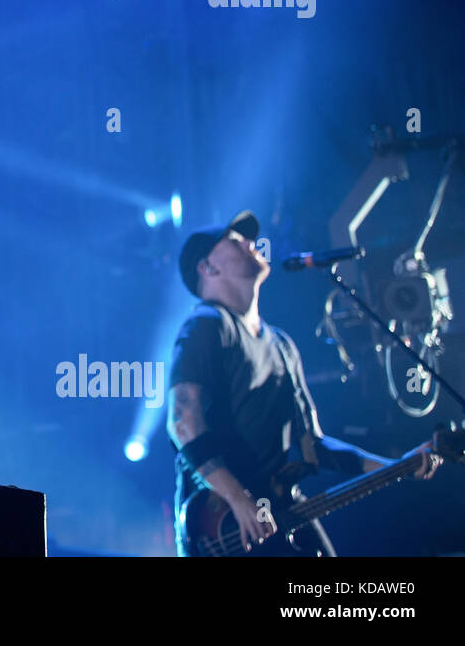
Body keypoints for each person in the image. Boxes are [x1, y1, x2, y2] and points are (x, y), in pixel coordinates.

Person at [166, 210, 439, 555]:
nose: (251, 244)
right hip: (223, 526)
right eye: (236, 241)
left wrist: (398, 467)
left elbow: (314, 446)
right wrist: (238, 498)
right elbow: (182, 420)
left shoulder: (281, 344)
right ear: (208, 268)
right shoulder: (208, 324)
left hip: (277, 508)